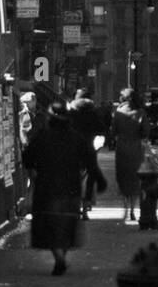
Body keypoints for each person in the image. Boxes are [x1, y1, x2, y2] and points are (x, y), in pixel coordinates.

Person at [21, 99, 106, 276]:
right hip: (70, 187)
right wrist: (99, 179)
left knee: (49, 224)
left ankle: (58, 257)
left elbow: (27, 158)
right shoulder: (75, 137)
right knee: (67, 224)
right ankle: (62, 255)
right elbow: (90, 160)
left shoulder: (42, 136)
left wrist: (36, 166)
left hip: (46, 188)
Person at [113, 88, 149, 222]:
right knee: (135, 179)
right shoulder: (140, 112)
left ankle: (126, 209)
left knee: (122, 178)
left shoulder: (118, 112)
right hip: (136, 149)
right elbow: (145, 132)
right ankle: (133, 210)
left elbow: (113, 131)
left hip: (121, 149)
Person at [68, 88, 103, 218]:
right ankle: (86, 205)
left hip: (73, 149)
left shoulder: (71, 111)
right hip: (88, 148)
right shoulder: (93, 112)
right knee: (90, 177)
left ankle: (75, 204)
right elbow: (101, 129)